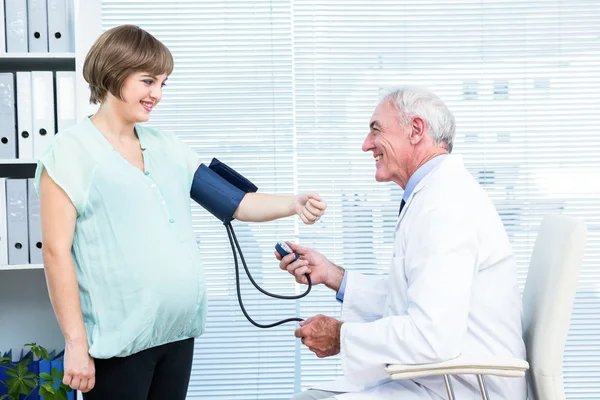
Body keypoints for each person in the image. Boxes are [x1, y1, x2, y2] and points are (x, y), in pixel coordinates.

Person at [36, 24, 327, 400]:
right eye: (147, 82)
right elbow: (55, 252)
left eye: (163, 83)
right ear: (113, 73)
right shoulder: (70, 152)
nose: (157, 94)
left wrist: (294, 202)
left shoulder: (167, 147)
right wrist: (75, 342)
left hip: (178, 335)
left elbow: (236, 202)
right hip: (121, 343)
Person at [276, 87, 527, 400]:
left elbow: (431, 335)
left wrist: (341, 336)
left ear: (416, 130)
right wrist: (332, 275)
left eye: (375, 130)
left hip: (460, 388)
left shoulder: (444, 206)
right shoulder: (434, 196)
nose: (366, 145)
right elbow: (416, 300)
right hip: (436, 378)